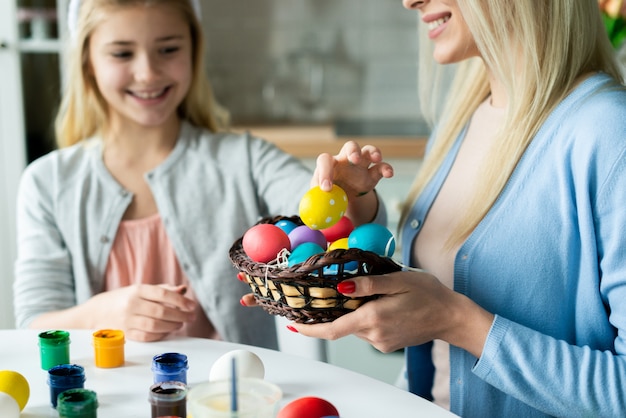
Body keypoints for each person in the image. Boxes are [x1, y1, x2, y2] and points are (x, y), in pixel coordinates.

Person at [270, 0, 626, 416]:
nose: (410, 1)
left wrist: (457, 322)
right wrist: (361, 208)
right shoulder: (465, 117)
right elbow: (441, 284)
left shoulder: (609, 133)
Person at [12, 0, 392, 348]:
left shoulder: (244, 159)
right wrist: (99, 317)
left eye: (168, 49)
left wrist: (348, 192)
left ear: (194, 51)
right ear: (87, 61)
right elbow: (34, 323)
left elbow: (328, 222)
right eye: (122, 53)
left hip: (234, 395)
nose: (147, 72)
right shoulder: (47, 183)